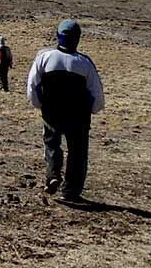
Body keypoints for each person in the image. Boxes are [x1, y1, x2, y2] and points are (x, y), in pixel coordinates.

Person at [26, 19, 104, 203]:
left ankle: (53, 174)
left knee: (52, 144)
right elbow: (97, 95)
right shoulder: (85, 63)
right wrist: (93, 110)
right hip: (79, 117)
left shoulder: (44, 57)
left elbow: (32, 86)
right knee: (78, 152)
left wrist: (39, 105)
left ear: (58, 36)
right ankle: (71, 190)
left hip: (51, 113)